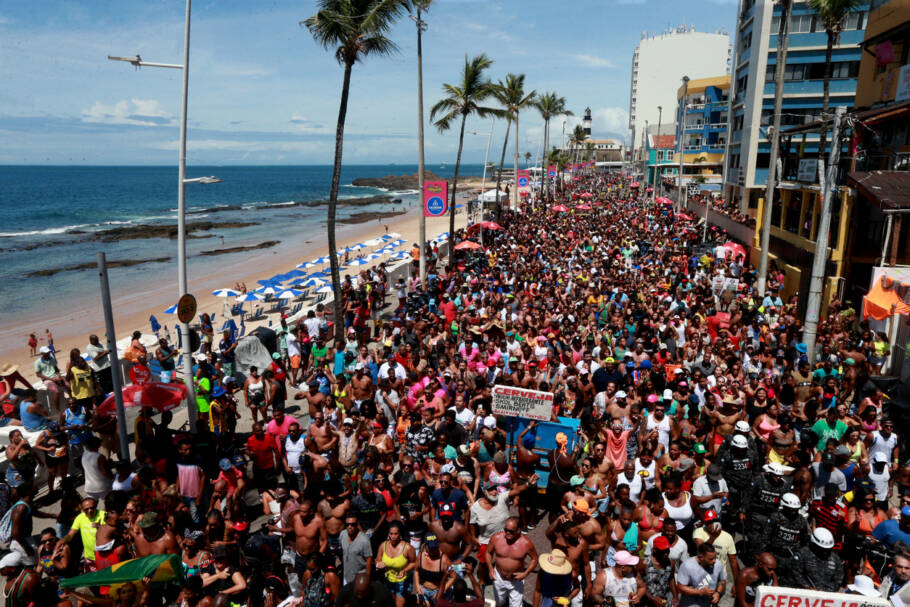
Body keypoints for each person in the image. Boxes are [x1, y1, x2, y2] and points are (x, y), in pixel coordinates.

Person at [485, 517, 539, 607]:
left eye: (511, 531)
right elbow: (488, 552)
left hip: (516, 581)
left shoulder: (526, 543)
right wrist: (491, 569)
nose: (507, 533)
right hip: (498, 577)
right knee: (499, 603)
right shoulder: (496, 538)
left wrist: (525, 574)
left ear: (519, 530)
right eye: (506, 530)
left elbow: (535, 559)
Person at [341, 515, 374, 585]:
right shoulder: (342, 534)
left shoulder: (364, 540)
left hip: (359, 579)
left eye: (353, 524)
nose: (350, 527)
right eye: (347, 525)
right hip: (346, 577)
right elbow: (343, 552)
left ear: (357, 525)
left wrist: (367, 579)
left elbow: (369, 560)